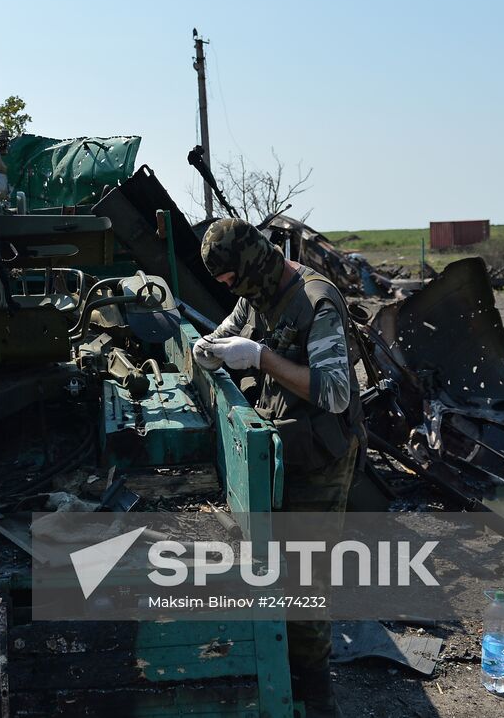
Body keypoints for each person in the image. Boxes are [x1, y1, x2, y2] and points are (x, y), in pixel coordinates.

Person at [194, 218, 364, 718]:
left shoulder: (316, 301)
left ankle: (319, 696)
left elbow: (335, 394)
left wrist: (262, 358)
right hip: (283, 448)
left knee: (308, 580)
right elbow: (230, 332)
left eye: (232, 280)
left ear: (251, 265)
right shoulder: (256, 293)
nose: (231, 290)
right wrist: (209, 348)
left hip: (320, 457)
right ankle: (283, 670)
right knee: (277, 568)